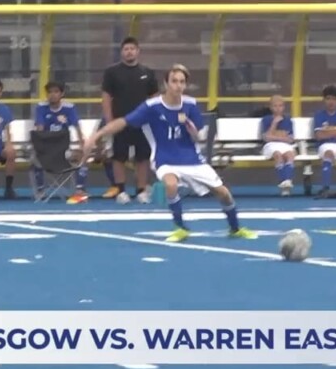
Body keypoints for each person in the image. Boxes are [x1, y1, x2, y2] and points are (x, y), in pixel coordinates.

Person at [83, 64, 257, 243]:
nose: (178, 86)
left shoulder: (190, 104)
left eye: (182, 82)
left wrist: (193, 131)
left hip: (192, 159)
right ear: (166, 84)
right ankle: (180, 227)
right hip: (164, 158)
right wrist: (97, 135)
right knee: (171, 185)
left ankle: (235, 228)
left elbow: (199, 136)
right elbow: (123, 122)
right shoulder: (152, 106)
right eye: (174, 81)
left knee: (224, 193)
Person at [101, 36, 157, 203]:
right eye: (126, 49)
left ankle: (141, 190)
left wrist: (154, 119)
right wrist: (109, 120)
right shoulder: (111, 72)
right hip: (120, 121)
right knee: (119, 157)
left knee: (142, 157)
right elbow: (106, 96)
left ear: (138, 51)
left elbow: (154, 98)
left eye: (132, 49)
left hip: (143, 123)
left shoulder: (147, 73)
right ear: (121, 52)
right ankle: (121, 190)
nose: (129, 52)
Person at [32, 81, 88, 204]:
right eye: (50, 92)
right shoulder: (41, 108)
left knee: (81, 155)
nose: (52, 95)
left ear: (62, 94)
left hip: (63, 150)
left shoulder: (69, 108)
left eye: (56, 92)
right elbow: (40, 129)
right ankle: (41, 189)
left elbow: (77, 127)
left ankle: (80, 190)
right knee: (35, 158)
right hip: (46, 150)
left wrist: (82, 145)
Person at [261, 95, 296, 196]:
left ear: (284, 107)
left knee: (289, 155)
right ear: (271, 107)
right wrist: (274, 124)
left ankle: (287, 181)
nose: (278, 108)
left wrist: (275, 136)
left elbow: (290, 139)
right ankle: (283, 182)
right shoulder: (266, 120)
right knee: (278, 155)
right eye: (275, 106)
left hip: (285, 145)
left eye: (280, 106)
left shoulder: (288, 120)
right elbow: (267, 138)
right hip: (270, 145)